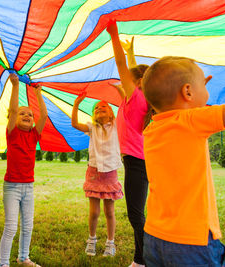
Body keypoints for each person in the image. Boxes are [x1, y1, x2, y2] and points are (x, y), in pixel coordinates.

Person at [141, 56, 225, 267]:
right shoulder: (192, 120)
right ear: (188, 92)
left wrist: (198, 90)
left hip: (154, 236)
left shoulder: (151, 131)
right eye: (204, 85)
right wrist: (198, 98)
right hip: (191, 243)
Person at [106, 20, 150, 267]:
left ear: (137, 82)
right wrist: (132, 53)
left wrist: (114, 35)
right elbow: (133, 69)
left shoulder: (138, 96)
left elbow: (122, 65)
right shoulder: (134, 97)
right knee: (138, 212)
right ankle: (142, 257)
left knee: (135, 213)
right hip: (138, 160)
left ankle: (142, 259)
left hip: (136, 162)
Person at [0, 74, 47, 267]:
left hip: (29, 187)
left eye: (29, 115)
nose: (27, 116)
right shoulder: (12, 134)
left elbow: (43, 115)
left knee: (28, 226)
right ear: (14, 118)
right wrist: (16, 85)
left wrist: (38, 94)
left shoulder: (34, 135)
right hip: (12, 187)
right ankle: (4, 263)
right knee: (11, 227)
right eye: (22, 113)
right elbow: (11, 110)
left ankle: (23, 257)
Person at [72, 93, 123, 257]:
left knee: (109, 211)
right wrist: (76, 104)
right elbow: (74, 124)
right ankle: (92, 240)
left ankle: (110, 242)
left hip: (110, 174)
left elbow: (126, 109)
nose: (100, 108)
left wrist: (122, 93)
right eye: (96, 108)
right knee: (94, 212)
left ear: (111, 114)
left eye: (104, 107)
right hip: (94, 172)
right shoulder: (92, 128)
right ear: (94, 115)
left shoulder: (117, 126)